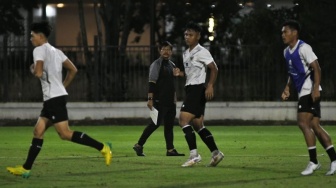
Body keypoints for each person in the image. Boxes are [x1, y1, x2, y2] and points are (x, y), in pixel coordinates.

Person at [6, 21, 112, 178]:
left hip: (54, 99)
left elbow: (38, 72)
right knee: (38, 131)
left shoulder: (39, 50)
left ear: (40, 36)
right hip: (55, 96)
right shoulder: (56, 51)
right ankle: (26, 169)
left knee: (64, 134)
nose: (31, 39)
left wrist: (33, 69)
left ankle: (103, 147)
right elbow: (73, 70)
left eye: (32, 36)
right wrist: (62, 86)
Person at [281, 20, 336, 176]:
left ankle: (314, 162)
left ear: (294, 32)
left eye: (285, 32)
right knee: (315, 127)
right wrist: (287, 87)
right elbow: (292, 73)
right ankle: (334, 160)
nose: (283, 35)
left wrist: (315, 88)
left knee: (302, 122)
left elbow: (316, 67)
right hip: (303, 91)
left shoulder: (304, 48)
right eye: (282, 32)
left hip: (309, 91)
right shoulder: (286, 52)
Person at [173, 22, 224, 167]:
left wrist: (210, 85)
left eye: (191, 34)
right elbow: (190, 74)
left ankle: (194, 155)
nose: (187, 37)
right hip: (191, 88)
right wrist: (180, 73)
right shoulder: (185, 53)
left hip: (197, 89)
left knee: (183, 120)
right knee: (198, 125)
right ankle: (216, 153)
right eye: (186, 34)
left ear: (198, 36)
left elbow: (214, 68)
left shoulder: (202, 51)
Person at [133, 41, 185, 157]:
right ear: (159, 51)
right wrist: (150, 99)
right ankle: (139, 145)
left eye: (168, 49)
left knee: (169, 126)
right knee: (154, 124)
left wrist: (179, 74)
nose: (166, 52)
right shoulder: (156, 64)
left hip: (170, 101)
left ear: (171, 52)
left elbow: (175, 79)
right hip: (159, 100)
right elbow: (152, 82)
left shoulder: (171, 64)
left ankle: (170, 150)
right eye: (163, 49)